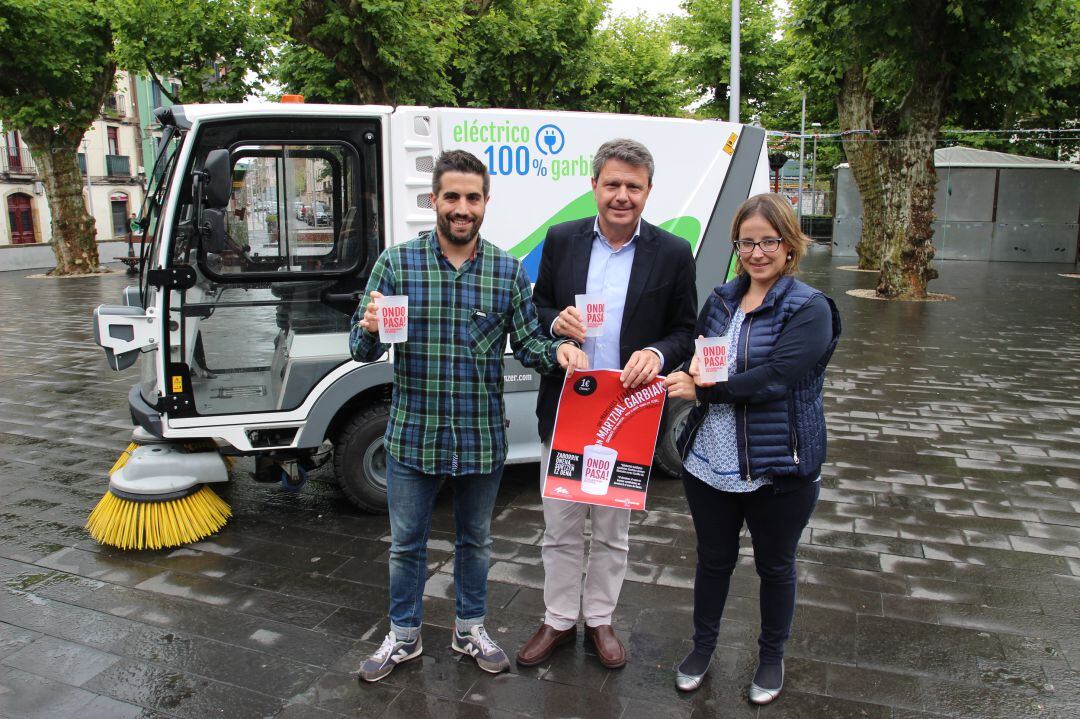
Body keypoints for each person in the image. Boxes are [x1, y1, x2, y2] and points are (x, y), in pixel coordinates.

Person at [349, 150, 588, 683]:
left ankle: (469, 630)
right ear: (432, 199)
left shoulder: (506, 271)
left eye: (472, 198)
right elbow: (361, 351)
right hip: (413, 436)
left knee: (475, 542)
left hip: (481, 437)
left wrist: (561, 353)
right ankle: (404, 636)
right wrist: (367, 327)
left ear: (486, 203)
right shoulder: (396, 264)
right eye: (452, 196)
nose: (462, 207)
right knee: (406, 544)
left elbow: (529, 344)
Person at [517, 138, 697, 670]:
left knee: (613, 528)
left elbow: (685, 330)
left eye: (633, 187)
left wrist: (656, 352)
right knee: (562, 524)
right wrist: (556, 330)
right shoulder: (562, 239)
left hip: (629, 415)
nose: (622, 196)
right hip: (570, 406)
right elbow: (539, 307)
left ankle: (599, 619)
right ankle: (556, 619)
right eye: (612, 184)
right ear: (594, 186)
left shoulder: (671, 251)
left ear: (648, 192)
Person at [663, 193, 841, 703]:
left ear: (790, 245)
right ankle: (702, 648)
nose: (758, 252)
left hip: (777, 466)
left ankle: (770, 658)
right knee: (713, 561)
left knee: (775, 566)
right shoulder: (719, 300)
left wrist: (707, 389)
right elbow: (703, 356)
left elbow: (777, 378)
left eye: (769, 241)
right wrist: (687, 374)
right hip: (709, 463)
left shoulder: (810, 308)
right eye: (747, 242)